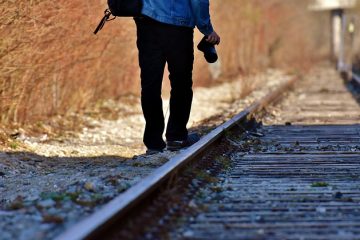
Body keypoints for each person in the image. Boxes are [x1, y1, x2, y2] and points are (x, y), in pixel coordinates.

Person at [134, 0, 220, 154]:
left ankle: (153, 143)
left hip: (146, 23)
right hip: (178, 27)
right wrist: (207, 29)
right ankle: (176, 137)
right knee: (181, 83)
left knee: (150, 84)